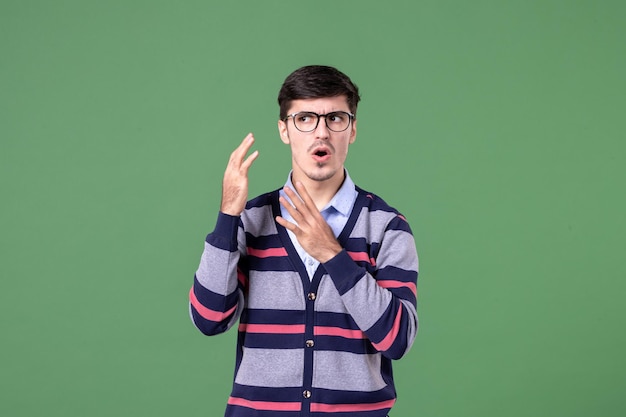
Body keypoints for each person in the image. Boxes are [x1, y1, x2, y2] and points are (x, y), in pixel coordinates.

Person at [189, 65, 419, 417]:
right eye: (305, 119)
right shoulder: (251, 220)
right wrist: (228, 217)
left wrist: (332, 254)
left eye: (336, 119)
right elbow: (209, 319)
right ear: (284, 130)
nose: (321, 133)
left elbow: (397, 338)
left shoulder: (386, 226)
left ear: (353, 129)